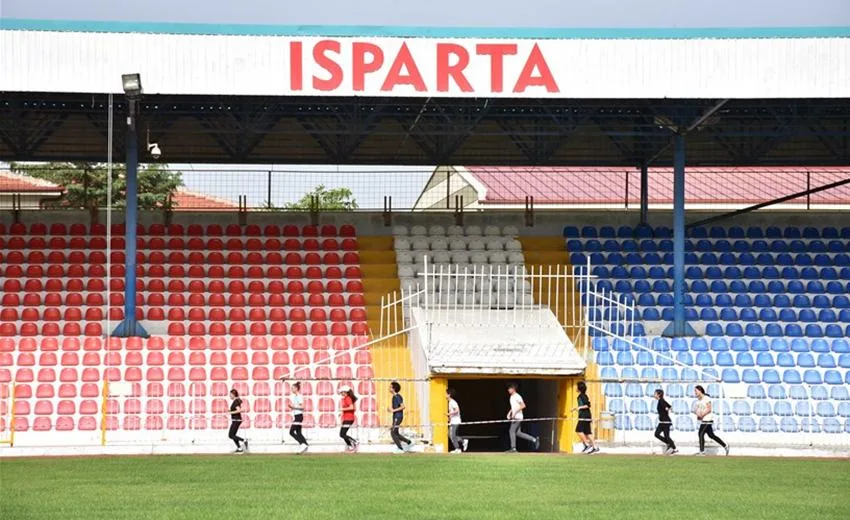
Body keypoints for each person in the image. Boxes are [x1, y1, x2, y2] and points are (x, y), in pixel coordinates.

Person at [693, 385, 729, 456]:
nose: (695, 392)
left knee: (700, 433)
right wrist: (698, 415)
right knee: (711, 435)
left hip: (708, 419)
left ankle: (702, 451)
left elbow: (709, 409)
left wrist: (702, 414)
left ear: (700, 391)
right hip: (703, 420)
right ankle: (725, 446)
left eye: (696, 391)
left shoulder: (706, 398)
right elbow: (696, 411)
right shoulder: (697, 402)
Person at [506, 383, 540, 452]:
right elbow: (514, 407)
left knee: (511, 431)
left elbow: (523, 405)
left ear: (513, 389)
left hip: (518, 417)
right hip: (515, 417)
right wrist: (509, 413)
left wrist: (515, 413)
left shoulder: (517, 396)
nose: (508, 390)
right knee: (518, 433)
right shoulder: (511, 397)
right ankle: (534, 440)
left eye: (509, 388)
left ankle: (513, 448)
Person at [571, 381, 598, 454]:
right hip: (585, 415)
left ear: (579, 388)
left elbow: (588, 405)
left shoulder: (582, 396)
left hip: (585, 416)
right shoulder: (580, 396)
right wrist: (576, 408)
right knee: (588, 432)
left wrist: (578, 408)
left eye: (577, 386)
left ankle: (587, 444)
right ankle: (595, 447)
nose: (576, 388)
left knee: (578, 430)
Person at [388, 381, 413, 452]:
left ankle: (400, 448)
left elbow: (403, 406)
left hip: (398, 417)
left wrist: (393, 410)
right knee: (395, 432)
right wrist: (391, 410)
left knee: (392, 432)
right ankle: (409, 442)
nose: (389, 388)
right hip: (396, 416)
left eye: (390, 387)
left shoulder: (397, 396)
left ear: (394, 388)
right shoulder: (394, 397)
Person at [653, 389, 677, 455]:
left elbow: (667, 407)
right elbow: (670, 406)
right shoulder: (661, 401)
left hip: (666, 422)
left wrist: (666, 409)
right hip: (662, 422)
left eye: (655, 393)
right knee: (657, 434)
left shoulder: (661, 401)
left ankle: (674, 448)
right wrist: (667, 409)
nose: (654, 395)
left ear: (659, 394)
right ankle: (669, 443)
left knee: (666, 436)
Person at [288, 381, 309, 454]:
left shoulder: (299, 396)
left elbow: (302, 407)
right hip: (297, 416)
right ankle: (305, 444)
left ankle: (303, 444)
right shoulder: (296, 396)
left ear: (297, 388)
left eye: (293, 388)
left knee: (291, 432)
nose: (292, 389)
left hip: (299, 416)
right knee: (299, 433)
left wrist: (293, 407)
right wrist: (293, 407)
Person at [446, 387, 469, 453]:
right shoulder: (450, 402)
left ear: (449, 394)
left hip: (455, 421)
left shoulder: (453, 402)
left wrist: (449, 413)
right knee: (450, 435)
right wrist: (449, 417)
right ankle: (463, 441)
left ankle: (458, 448)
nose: (445, 395)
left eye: (446, 394)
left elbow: (457, 410)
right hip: (453, 421)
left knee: (452, 435)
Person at [339, 386, 359, 452]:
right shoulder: (346, 398)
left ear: (345, 392)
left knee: (342, 434)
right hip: (347, 418)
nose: (341, 393)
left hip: (349, 418)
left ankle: (354, 442)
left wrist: (342, 409)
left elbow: (351, 407)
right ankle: (351, 446)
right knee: (343, 434)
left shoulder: (348, 398)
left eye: (341, 392)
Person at [229, 388, 247, 454]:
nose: (229, 396)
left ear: (233, 394)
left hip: (236, 420)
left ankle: (244, 440)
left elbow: (240, 410)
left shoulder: (236, 401)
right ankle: (239, 449)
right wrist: (230, 411)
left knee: (231, 435)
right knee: (233, 435)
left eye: (230, 394)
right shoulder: (236, 401)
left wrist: (231, 412)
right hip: (236, 420)